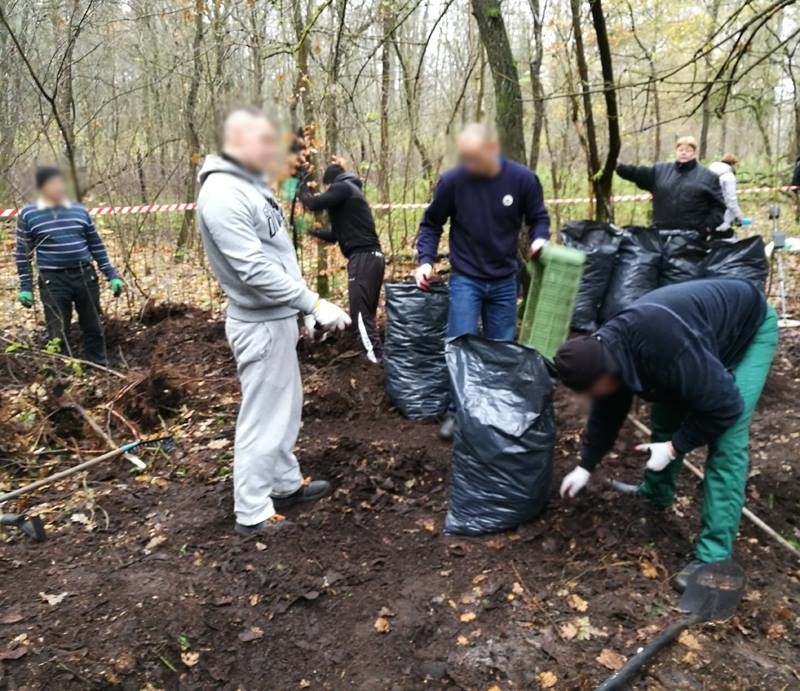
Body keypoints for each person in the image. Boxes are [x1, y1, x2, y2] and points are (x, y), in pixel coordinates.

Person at [553, 279, 778, 592]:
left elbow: (726, 407)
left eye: (593, 390)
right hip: (697, 337)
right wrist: (585, 465)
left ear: (604, 371)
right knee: (666, 414)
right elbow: (607, 411)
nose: (593, 397)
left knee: (727, 439)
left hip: (748, 327)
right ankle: (655, 493)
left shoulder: (665, 347)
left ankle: (713, 558)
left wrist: (674, 448)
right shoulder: (607, 354)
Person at [197, 107, 351, 536]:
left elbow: (275, 254)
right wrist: (313, 302)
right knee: (263, 418)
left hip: (277, 318)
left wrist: (301, 310)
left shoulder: (249, 185)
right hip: (259, 326)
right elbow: (253, 270)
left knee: (285, 412)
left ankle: (283, 483)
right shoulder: (224, 195)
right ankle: (251, 510)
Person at [415, 123, 550, 439]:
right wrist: (425, 261)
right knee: (460, 345)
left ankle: (493, 413)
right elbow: (431, 223)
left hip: (504, 279)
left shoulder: (522, 179)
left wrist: (540, 239)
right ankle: (456, 412)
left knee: (499, 349)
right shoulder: (453, 181)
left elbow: (539, 217)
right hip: (466, 278)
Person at [14, 166, 123, 365]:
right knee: (57, 331)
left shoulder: (79, 210)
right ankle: (62, 374)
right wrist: (25, 287)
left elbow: (96, 245)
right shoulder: (28, 214)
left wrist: (112, 274)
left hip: (85, 276)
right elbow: (23, 253)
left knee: (93, 326)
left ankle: (99, 367)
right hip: (53, 281)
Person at [299, 163, 385, 363]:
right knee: (367, 316)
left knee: (361, 317)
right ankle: (376, 359)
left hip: (363, 258)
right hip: (372, 258)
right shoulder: (350, 198)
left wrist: (301, 186)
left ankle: (375, 362)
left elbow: (313, 203)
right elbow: (335, 236)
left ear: (330, 183)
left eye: (328, 188)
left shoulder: (343, 188)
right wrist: (310, 230)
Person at [616, 136, 726, 236]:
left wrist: (707, 227)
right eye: (681, 150)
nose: (684, 153)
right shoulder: (660, 171)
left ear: (694, 153)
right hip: (661, 233)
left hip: (693, 236)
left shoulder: (707, 177)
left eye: (688, 150)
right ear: (676, 152)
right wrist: (618, 166)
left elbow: (719, 206)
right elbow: (637, 173)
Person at [708, 153, 743, 235]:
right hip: (723, 216)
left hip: (708, 215)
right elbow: (731, 200)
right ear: (733, 164)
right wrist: (739, 214)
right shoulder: (729, 177)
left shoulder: (708, 172)